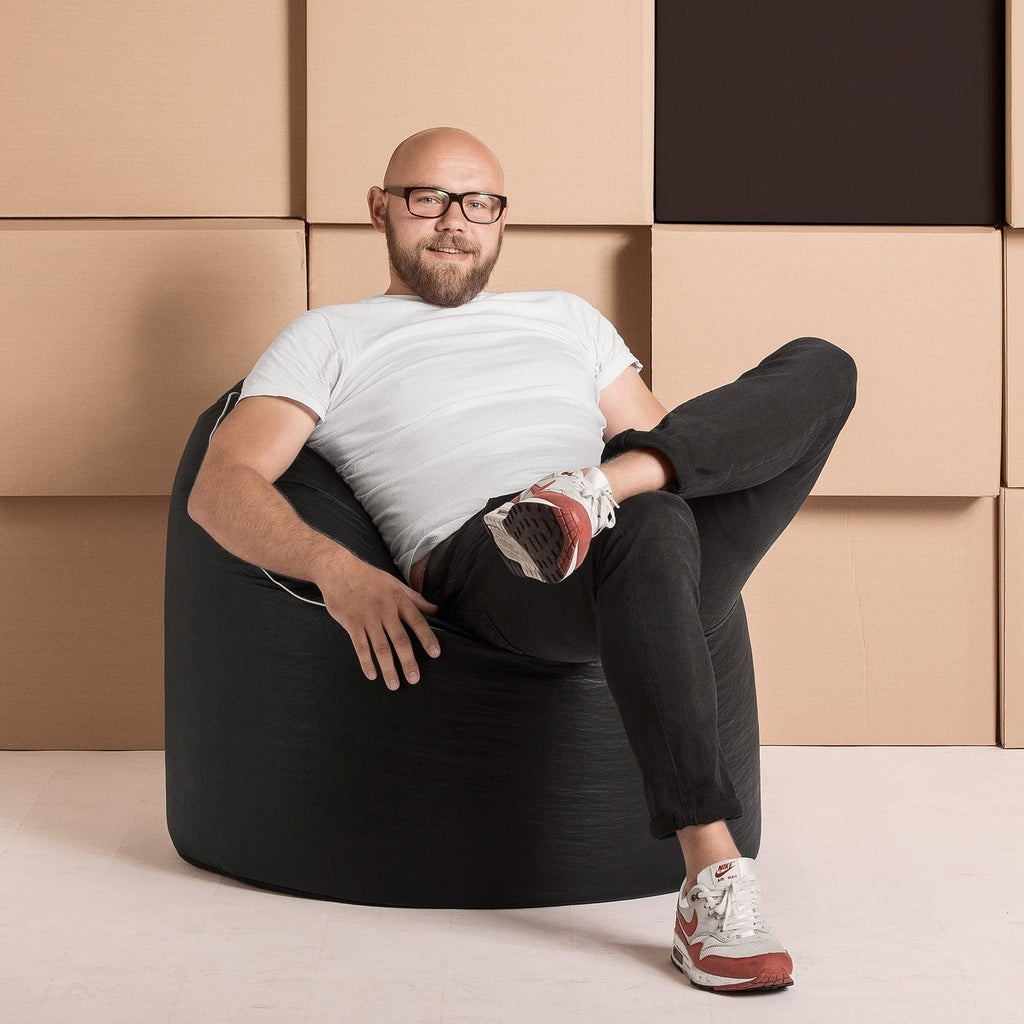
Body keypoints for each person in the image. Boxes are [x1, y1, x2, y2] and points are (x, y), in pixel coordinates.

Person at [188, 126, 856, 993]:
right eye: (427, 198)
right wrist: (336, 567)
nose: (453, 223)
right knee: (648, 524)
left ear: (502, 220)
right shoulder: (329, 336)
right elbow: (221, 484)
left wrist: (618, 480)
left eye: (479, 204)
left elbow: (680, 440)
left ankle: (593, 491)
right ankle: (712, 873)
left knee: (820, 368)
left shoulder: (569, 318)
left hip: (621, 526)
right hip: (490, 560)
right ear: (380, 208)